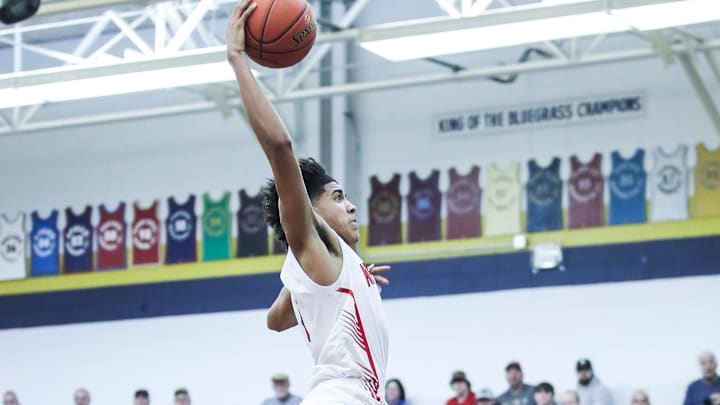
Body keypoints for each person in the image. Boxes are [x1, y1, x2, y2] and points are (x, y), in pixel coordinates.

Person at [226, 1, 390, 403]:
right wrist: (237, 59)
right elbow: (280, 146)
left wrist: (333, 283)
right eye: (338, 197)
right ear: (310, 211)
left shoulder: (323, 264)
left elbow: (276, 320)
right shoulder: (317, 245)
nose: (351, 206)